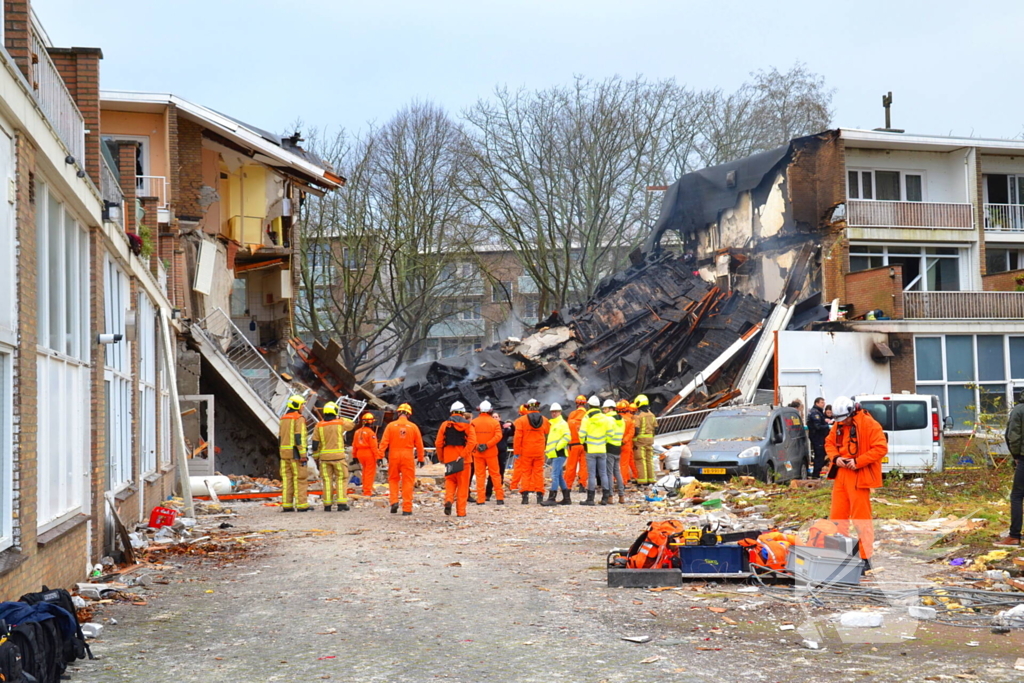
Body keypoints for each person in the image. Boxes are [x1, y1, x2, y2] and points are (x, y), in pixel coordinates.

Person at [825, 396, 888, 571]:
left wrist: (858, 461)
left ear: (852, 412)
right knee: (837, 517)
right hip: (841, 474)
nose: (842, 423)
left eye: (844, 419)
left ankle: (865, 557)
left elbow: (881, 448)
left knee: (861, 519)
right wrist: (836, 458)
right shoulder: (839, 424)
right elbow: (829, 443)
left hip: (859, 476)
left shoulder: (869, 424)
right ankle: (839, 554)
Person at [379, 403, 425, 516]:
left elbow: (384, 442)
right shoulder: (413, 427)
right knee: (408, 481)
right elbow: (419, 444)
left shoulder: (391, 426)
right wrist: (420, 458)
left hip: (394, 455)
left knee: (393, 479)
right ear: (409, 415)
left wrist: (379, 456)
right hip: (407, 456)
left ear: (398, 413)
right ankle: (407, 508)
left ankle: (394, 502)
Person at [312, 401, 356, 512]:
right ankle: (341, 503)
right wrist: (341, 418)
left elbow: (315, 444)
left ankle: (327, 505)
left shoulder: (319, 425)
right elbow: (352, 425)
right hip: (339, 458)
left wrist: (316, 457)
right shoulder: (339, 423)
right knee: (341, 479)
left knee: (327, 480)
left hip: (325, 459)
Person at [436, 402, 478, 517]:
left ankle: (448, 500)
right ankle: (461, 512)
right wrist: (463, 454)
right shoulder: (468, 425)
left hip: (449, 458)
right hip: (464, 461)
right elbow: (472, 442)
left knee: (450, 481)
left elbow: (439, 443)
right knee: (463, 486)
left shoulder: (445, 425)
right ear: (462, 412)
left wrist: (441, 457)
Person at [997, 391, 1024, 547]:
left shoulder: (1019, 410)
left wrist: (1015, 455)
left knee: (1017, 496)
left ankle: (1014, 536)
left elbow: (1013, 436)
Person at [513, 398, 550, 504]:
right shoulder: (544, 420)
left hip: (526, 451)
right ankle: (539, 495)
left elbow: (517, 438)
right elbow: (547, 431)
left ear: (527, 406)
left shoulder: (521, 420)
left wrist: (516, 452)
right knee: (538, 473)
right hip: (539, 451)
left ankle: (525, 497)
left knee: (526, 473)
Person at [279, 394, 311, 512]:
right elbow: (299, 437)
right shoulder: (298, 418)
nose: (303, 406)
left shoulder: (283, 418)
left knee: (287, 480)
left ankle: (287, 505)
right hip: (295, 454)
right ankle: (302, 505)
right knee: (300, 479)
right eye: (302, 404)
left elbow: (280, 437)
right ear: (297, 405)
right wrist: (303, 455)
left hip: (284, 453)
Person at [578, 395, 612, 506]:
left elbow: (582, 434)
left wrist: (584, 443)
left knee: (591, 474)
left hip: (591, 450)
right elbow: (610, 434)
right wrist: (603, 442)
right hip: (602, 449)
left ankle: (590, 499)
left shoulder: (587, 418)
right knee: (603, 473)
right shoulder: (605, 418)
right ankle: (605, 498)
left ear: (589, 405)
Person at [471, 401, 505, 506]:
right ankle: (499, 498)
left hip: (478, 453)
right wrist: (487, 445)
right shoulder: (495, 422)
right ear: (490, 410)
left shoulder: (473, 422)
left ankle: (481, 499)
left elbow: (470, 436)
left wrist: (478, 445)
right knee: (495, 474)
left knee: (480, 476)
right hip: (491, 452)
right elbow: (498, 436)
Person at [541, 403, 571, 506]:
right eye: (552, 412)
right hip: (554, 453)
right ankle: (567, 498)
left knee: (554, 475)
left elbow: (567, 437)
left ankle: (552, 498)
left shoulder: (562, 423)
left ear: (560, 412)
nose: (554, 413)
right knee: (559, 475)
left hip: (559, 452)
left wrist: (558, 447)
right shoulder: (553, 424)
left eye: (556, 411)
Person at [352, 412, 383, 497]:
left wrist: (354, 456)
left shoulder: (357, 432)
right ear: (371, 422)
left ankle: (365, 488)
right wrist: (378, 457)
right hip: (368, 454)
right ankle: (367, 492)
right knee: (369, 473)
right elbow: (374, 447)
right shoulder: (371, 433)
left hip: (359, 453)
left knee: (364, 471)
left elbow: (354, 445)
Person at [564, 395, 589, 493]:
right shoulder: (587, 415)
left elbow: (567, 429)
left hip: (573, 444)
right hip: (584, 445)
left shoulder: (571, 415)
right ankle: (582, 485)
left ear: (576, 404)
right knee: (584, 466)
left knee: (571, 466)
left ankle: (568, 486)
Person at [486, 414, 513, 501]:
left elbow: (513, 432)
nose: (495, 418)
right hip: (491, 452)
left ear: (500, 418)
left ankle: (499, 493)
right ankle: (488, 493)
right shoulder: (489, 427)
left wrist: (512, 425)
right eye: (493, 417)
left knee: (500, 473)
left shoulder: (504, 427)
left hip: (502, 452)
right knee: (492, 474)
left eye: (496, 417)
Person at [605, 400, 626, 504]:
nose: (604, 411)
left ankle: (610, 496)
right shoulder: (621, 419)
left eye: (605, 409)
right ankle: (621, 496)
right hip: (618, 447)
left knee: (609, 473)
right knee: (617, 472)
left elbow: (607, 433)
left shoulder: (608, 419)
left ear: (610, 408)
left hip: (609, 447)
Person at [633, 395, 657, 485]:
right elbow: (656, 428)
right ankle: (651, 479)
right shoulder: (652, 415)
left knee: (640, 460)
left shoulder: (638, 416)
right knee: (649, 459)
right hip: (650, 440)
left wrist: (634, 441)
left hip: (640, 441)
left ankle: (643, 481)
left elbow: (636, 430)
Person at [807, 397, 830, 479]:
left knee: (822, 455)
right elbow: (817, 426)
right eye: (821, 402)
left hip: (819, 437)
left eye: (824, 402)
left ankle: (817, 474)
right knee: (819, 457)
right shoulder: (815, 413)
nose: (823, 404)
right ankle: (815, 475)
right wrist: (827, 426)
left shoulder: (819, 412)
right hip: (817, 438)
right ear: (816, 403)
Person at [509, 404, 528, 493]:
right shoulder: (535, 420)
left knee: (518, 468)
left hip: (521, 449)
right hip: (530, 448)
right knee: (530, 469)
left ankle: (514, 486)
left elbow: (517, 437)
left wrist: (516, 451)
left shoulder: (518, 421)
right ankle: (528, 487)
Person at [619, 402, 638, 484]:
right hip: (627, 444)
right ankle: (626, 479)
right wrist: (625, 441)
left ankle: (619, 479)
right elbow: (631, 433)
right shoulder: (630, 420)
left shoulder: (615, 419)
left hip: (616, 443)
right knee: (625, 463)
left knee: (615, 463)